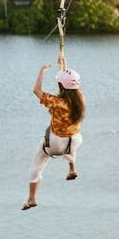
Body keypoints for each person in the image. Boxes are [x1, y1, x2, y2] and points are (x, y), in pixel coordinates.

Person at [23, 64, 86, 211]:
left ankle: (32, 199)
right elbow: (69, 83)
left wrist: (41, 71)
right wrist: (62, 64)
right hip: (75, 140)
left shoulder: (57, 103)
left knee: (37, 164)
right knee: (71, 145)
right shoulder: (81, 99)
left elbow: (36, 91)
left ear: (61, 86)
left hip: (56, 144)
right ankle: (72, 168)